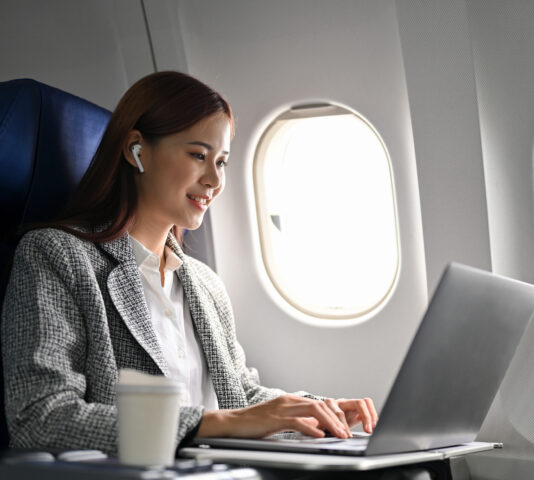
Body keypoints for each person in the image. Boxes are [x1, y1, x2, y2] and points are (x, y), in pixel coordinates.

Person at [1, 71, 377, 456]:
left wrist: (317, 411)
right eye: (198, 155)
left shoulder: (204, 283)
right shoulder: (56, 256)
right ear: (136, 150)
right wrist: (220, 424)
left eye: (223, 162)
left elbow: (240, 395)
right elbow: (40, 419)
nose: (214, 179)